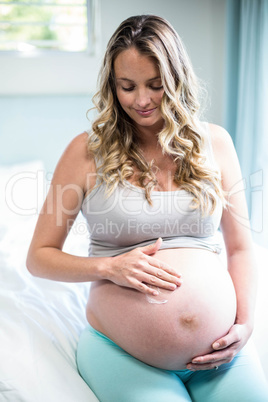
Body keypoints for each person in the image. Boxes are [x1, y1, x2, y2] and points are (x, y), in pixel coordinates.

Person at [26, 14, 268, 402]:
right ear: (112, 86)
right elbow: (39, 257)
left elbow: (241, 248)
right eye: (127, 86)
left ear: (176, 79)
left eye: (156, 85)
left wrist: (246, 324)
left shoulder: (216, 144)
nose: (141, 100)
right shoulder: (85, 153)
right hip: (124, 354)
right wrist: (109, 267)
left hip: (221, 353)